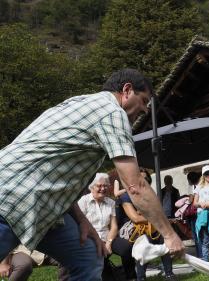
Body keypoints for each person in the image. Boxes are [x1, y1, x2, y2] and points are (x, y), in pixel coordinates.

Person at [0, 68, 184, 281]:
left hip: (45, 205)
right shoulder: (113, 113)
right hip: (11, 196)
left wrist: (81, 221)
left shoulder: (79, 103)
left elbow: (57, 178)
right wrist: (169, 235)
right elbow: (135, 186)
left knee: (87, 256)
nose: (143, 110)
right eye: (143, 101)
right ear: (127, 90)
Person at [119, 168, 178, 281]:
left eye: (146, 178)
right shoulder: (126, 197)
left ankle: (169, 274)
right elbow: (135, 218)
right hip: (131, 231)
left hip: (150, 227)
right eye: (139, 178)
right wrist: (155, 217)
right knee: (144, 242)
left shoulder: (150, 195)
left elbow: (157, 212)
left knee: (165, 239)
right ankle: (141, 277)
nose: (142, 181)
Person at [186, 172, 202, 257]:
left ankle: (201, 255)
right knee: (198, 235)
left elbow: (190, 200)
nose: (188, 181)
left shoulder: (197, 187)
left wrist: (187, 200)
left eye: (188, 179)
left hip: (196, 214)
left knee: (197, 235)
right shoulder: (196, 186)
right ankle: (201, 255)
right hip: (196, 214)